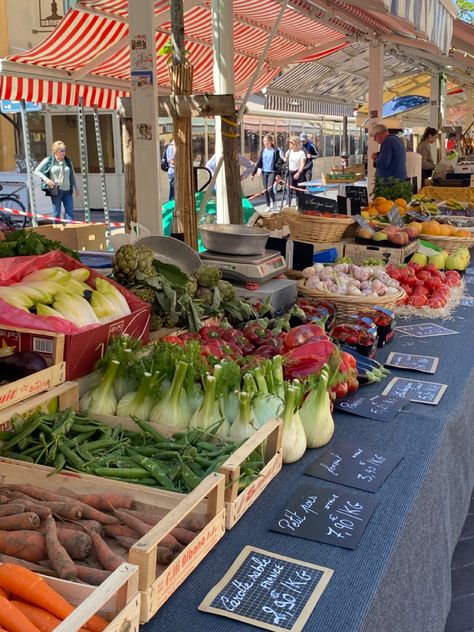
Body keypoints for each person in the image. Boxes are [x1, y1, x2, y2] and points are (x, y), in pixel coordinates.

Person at [34, 140, 78, 222]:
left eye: (64, 150)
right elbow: (37, 171)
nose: (64, 152)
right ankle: (58, 231)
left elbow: (73, 174)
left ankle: (71, 231)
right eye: (61, 150)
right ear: (56, 151)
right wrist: (47, 180)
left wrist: (76, 187)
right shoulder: (49, 160)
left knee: (69, 213)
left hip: (67, 190)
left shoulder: (68, 161)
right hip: (56, 190)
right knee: (56, 214)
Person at [250, 134, 283, 211]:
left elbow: (279, 163)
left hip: (272, 172)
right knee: (265, 190)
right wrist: (253, 173)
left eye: (266, 141)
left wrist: (278, 174)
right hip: (264, 172)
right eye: (264, 141)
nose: (265, 143)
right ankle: (268, 205)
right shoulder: (263, 151)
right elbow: (259, 162)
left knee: (269, 189)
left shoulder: (275, 151)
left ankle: (274, 203)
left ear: (271, 142)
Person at [284, 136, 306, 209]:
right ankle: (288, 204)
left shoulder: (301, 153)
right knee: (289, 189)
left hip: (298, 172)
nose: (290, 144)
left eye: (291, 142)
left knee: (298, 190)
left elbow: (302, 164)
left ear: (296, 143)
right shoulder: (289, 151)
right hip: (290, 172)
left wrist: (298, 173)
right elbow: (285, 160)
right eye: (289, 142)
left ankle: (298, 205)